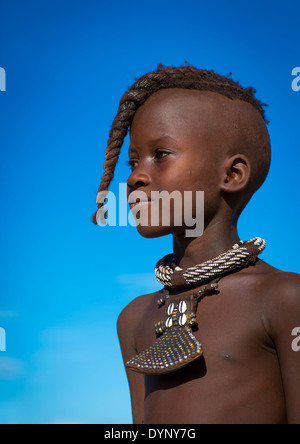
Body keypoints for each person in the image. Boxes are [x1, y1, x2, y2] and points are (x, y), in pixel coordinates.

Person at [92, 64, 300, 424]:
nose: (136, 176)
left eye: (161, 155)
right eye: (134, 160)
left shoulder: (284, 298)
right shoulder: (134, 318)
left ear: (232, 175)